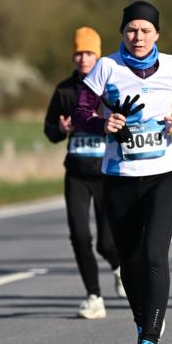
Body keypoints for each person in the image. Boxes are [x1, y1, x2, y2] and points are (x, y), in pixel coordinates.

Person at [73, 1, 172, 344]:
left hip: (165, 176)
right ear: (122, 33)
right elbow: (82, 111)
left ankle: (150, 342)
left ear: (157, 34)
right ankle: (145, 325)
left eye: (145, 30)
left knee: (154, 255)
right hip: (120, 178)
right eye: (131, 30)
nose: (138, 37)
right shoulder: (106, 67)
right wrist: (102, 123)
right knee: (129, 260)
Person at [44, 27, 123, 319]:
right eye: (78, 53)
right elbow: (49, 130)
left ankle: (119, 268)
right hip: (76, 172)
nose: (83, 58)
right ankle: (94, 297)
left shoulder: (109, 86)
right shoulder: (65, 90)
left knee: (106, 242)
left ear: (98, 54)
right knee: (79, 235)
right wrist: (61, 129)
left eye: (89, 52)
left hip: (106, 171)